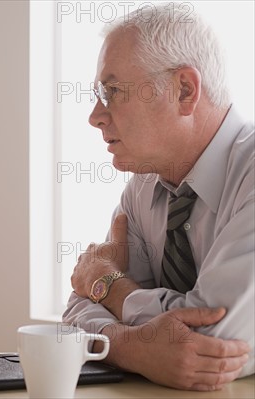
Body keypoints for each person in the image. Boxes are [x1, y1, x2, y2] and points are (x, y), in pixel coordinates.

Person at [63, 2, 254, 391]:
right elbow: (74, 313)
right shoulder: (144, 184)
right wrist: (134, 348)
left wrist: (108, 286)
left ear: (184, 90)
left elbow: (209, 342)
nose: (95, 115)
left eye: (112, 91)